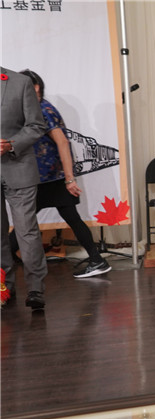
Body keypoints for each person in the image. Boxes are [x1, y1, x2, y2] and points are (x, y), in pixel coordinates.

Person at [9, 70, 112, 279]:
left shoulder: (43, 110)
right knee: (33, 219)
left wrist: (69, 179)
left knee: (26, 220)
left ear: (36, 88)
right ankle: (97, 260)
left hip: (51, 179)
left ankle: (97, 260)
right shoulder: (32, 109)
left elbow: (63, 143)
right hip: (42, 178)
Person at [1, 67, 48, 309]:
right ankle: (4, 287)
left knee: (26, 231)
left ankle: (35, 288)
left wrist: (10, 144)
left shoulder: (20, 82)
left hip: (18, 167)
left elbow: (36, 125)